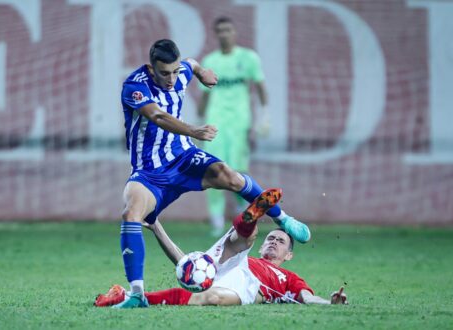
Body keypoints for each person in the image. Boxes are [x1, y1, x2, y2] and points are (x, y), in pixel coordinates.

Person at [116, 39, 310, 308]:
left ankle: (283, 219)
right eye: (164, 73)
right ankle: (136, 294)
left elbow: (191, 65)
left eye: (174, 72)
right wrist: (193, 130)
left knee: (229, 175)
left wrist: (202, 71)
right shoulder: (135, 86)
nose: (171, 79)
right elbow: (158, 116)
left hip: (184, 157)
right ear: (151, 68)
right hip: (150, 173)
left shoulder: (180, 71)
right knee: (131, 213)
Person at [97, 190, 347, 307]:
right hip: (238, 262)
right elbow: (185, 265)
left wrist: (329, 303)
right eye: (271, 239)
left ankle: (128, 297)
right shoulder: (252, 257)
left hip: (251, 287)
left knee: (211, 297)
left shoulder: (290, 278)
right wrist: (155, 225)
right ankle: (251, 218)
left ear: (289, 255)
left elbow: (307, 298)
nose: (273, 242)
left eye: (280, 242)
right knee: (243, 242)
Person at [198, 16, 270, 236]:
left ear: (234, 32)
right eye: (220, 30)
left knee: (239, 171)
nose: (224, 34)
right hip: (215, 122)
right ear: (215, 34)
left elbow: (260, 88)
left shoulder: (248, 58)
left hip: (240, 123)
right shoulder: (210, 60)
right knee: (213, 169)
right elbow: (204, 96)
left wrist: (264, 117)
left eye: (228, 30)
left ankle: (243, 215)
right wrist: (198, 121)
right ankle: (217, 221)